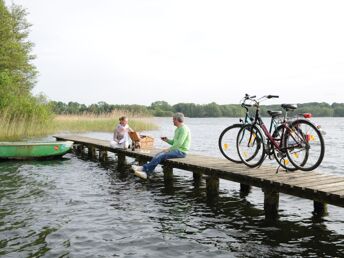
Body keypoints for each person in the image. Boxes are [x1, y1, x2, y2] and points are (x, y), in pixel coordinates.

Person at [132, 112, 191, 179]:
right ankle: (144, 168)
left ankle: (146, 171)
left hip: (181, 152)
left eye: (173, 119)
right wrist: (167, 140)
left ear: (177, 120)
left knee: (161, 155)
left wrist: (168, 149)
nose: (172, 121)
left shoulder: (184, 129)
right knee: (158, 154)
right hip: (176, 150)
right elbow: (174, 142)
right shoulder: (177, 129)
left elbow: (179, 144)